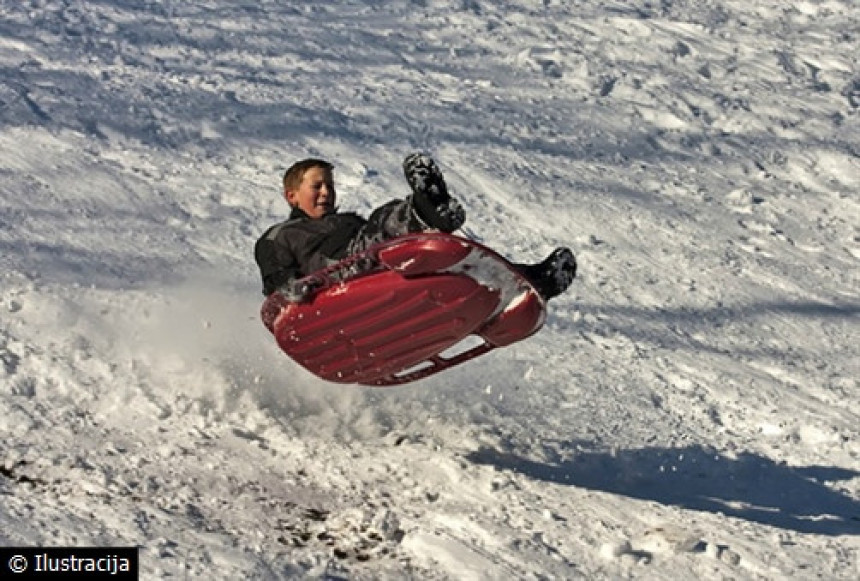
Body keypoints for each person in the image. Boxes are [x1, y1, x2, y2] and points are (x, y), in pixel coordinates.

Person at [254, 153, 576, 301]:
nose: (327, 192)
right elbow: (275, 279)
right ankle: (428, 210)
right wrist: (291, 288)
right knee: (383, 223)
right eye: (317, 186)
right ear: (292, 195)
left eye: (330, 186)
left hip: (380, 269)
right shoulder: (280, 236)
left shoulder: (346, 221)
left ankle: (532, 282)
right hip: (338, 276)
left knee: (452, 261)